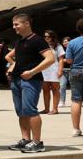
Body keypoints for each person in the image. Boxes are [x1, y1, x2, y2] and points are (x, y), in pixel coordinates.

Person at [9, 12, 56, 151]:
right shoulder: (20, 41)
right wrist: (12, 69)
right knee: (21, 111)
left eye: (16, 24)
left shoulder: (38, 40)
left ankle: (37, 142)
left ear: (27, 23)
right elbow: (19, 60)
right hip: (16, 79)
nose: (14, 27)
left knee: (30, 110)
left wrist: (32, 72)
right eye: (13, 24)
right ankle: (26, 139)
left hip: (31, 80)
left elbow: (50, 59)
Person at [41, 30, 64, 114]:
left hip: (54, 69)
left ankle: (55, 109)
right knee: (45, 89)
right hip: (43, 69)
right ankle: (46, 109)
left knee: (55, 89)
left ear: (52, 37)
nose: (46, 38)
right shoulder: (42, 45)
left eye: (48, 36)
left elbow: (61, 59)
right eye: (45, 36)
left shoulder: (57, 46)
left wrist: (60, 70)